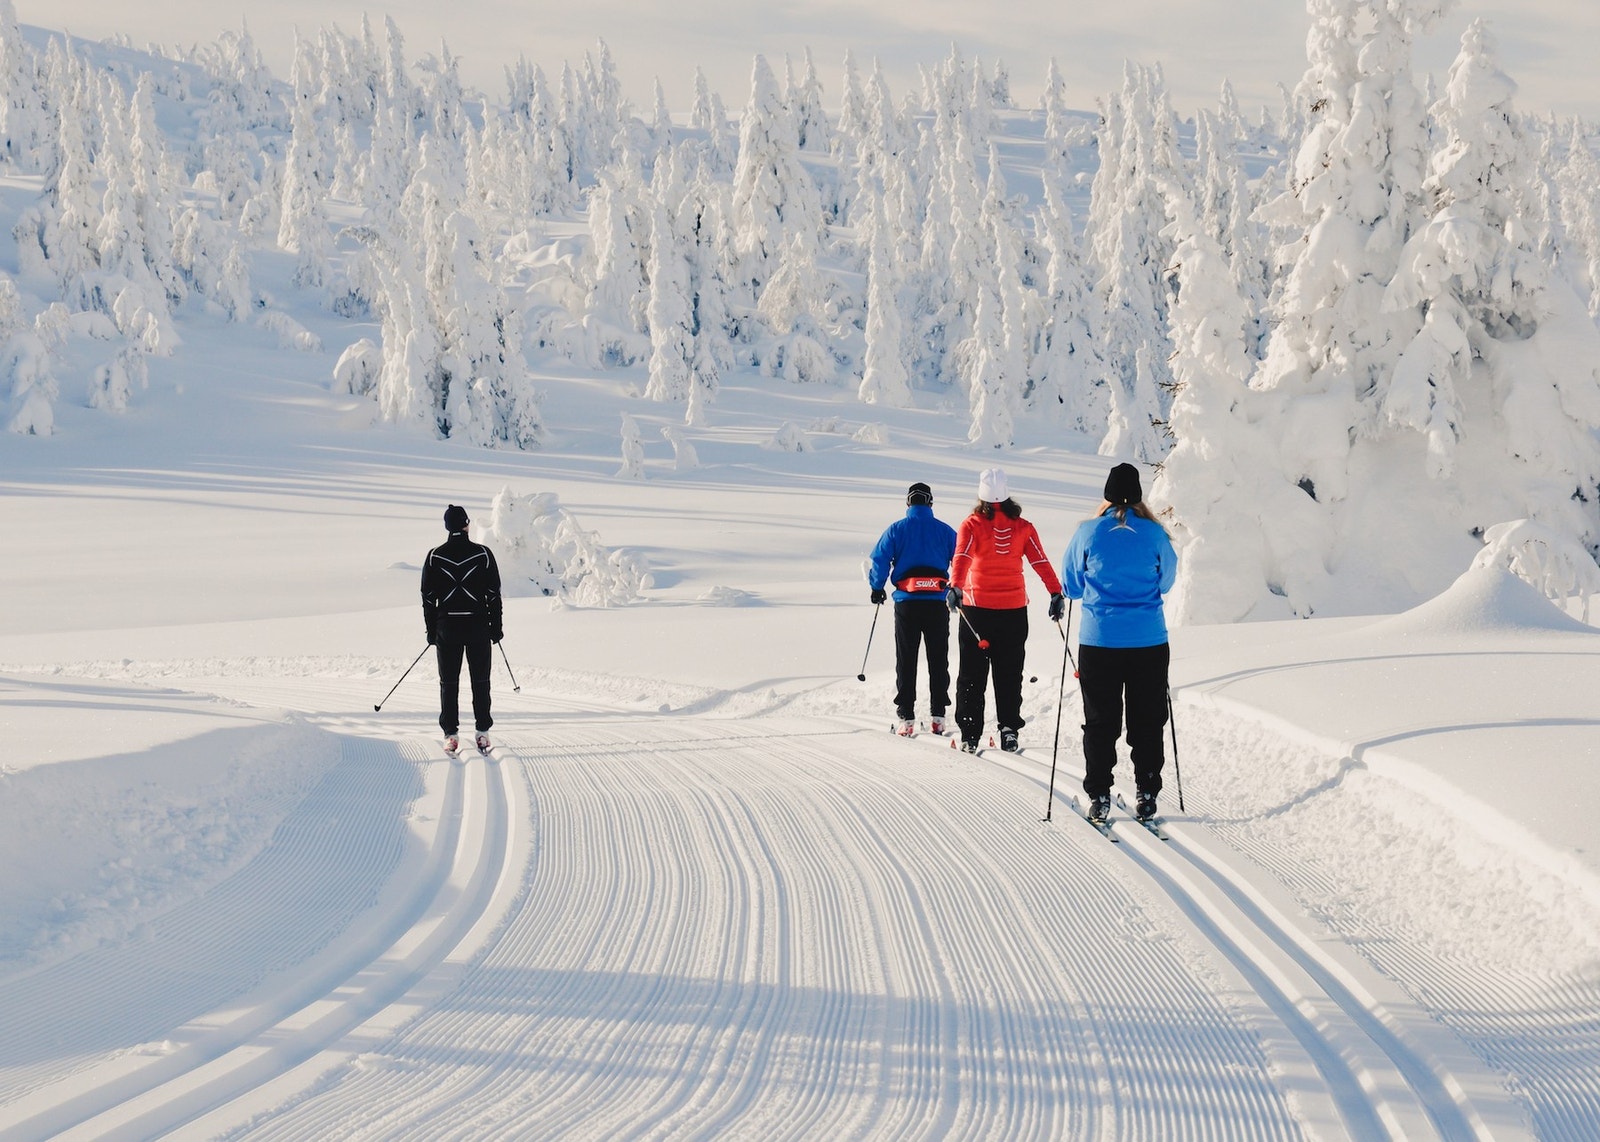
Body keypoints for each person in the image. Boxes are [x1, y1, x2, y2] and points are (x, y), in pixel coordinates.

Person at [1059, 462, 1178, 822]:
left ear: (1107, 496)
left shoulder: (1088, 532)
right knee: (1147, 718)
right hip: (1148, 640)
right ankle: (1147, 790)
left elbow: (1071, 585)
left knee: (1100, 721)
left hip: (1099, 641)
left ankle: (1099, 793)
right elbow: (1167, 581)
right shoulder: (1156, 535)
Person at [945, 468, 1064, 754]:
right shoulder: (1023, 527)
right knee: (1009, 673)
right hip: (1013, 611)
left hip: (976, 612)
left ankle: (970, 734)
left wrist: (956, 587)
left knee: (972, 674)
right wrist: (1055, 592)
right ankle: (1009, 729)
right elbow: (1040, 561)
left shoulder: (972, 524)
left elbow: (962, 556)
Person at [868, 482, 959, 736]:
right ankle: (938, 716)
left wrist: (877, 587)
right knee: (938, 659)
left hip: (907, 603)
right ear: (930, 503)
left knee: (906, 659)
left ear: (908, 503)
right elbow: (962, 556)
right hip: (937, 603)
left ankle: (906, 717)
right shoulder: (945, 530)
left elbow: (879, 558)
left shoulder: (897, 529)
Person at [421, 504, 504, 754]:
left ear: (447, 527)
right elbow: (494, 594)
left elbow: (428, 596)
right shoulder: (483, 554)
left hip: (447, 627)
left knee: (449, 682)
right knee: (481, 680)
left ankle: (450, 734)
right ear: (467, 525)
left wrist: (431, 629)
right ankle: (482, 733)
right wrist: (496, 627)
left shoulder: (435, 555)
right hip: (478, 626)